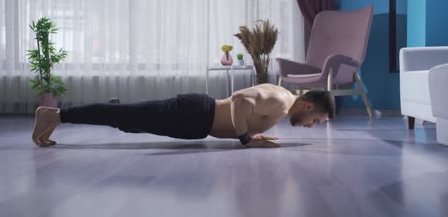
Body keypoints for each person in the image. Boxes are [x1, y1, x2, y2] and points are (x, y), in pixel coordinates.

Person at [32, 84, 335, 148]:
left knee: (126, 119)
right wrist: (245, 139)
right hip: (194, 115)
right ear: (310, 106)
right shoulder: (282, 102)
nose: (311, 126)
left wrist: (251, 132)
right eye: (317, 121)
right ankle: (55, 115)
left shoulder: (282, 99)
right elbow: (241, 100)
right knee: (123, 115)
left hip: (195, 120)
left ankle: (59, 116)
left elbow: (245, 108)